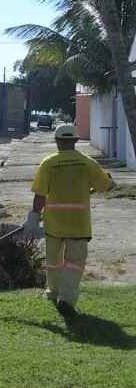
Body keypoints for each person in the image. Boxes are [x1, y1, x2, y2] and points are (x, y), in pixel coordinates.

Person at [22, 123, 114, 316]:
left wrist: (33, 216)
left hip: (54, 222)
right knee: (75, 263)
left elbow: (40, 195)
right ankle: (67, 299)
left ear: (57, 141)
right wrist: (108, 180)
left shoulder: (48, 163)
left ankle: (53, 292)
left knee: (54, 260)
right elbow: (106, 186)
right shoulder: (87, 162)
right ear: (75, 141)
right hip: (78, 223)